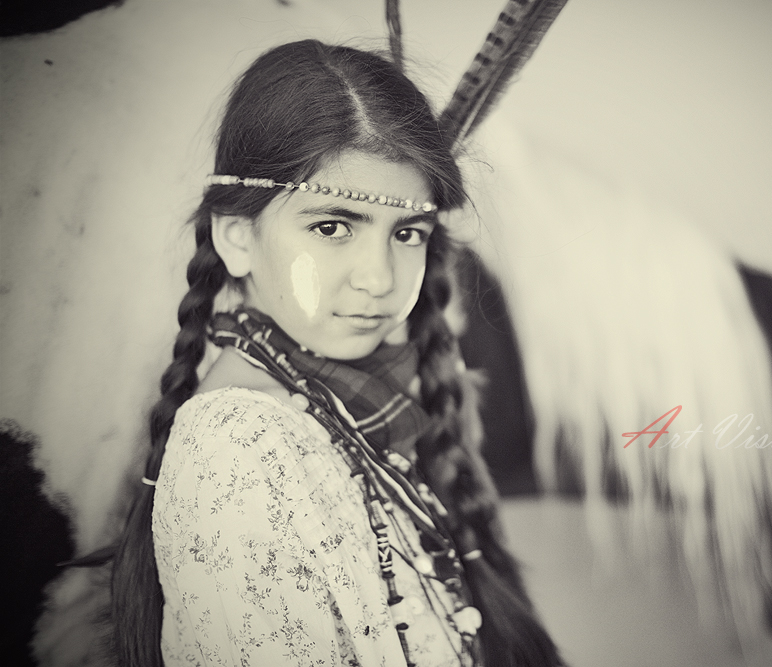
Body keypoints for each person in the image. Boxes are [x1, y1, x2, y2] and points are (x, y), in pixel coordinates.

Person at [111, 40, 562, 667]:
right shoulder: (241, 446)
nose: (378, 277)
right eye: (331, 226)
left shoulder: (360, 410)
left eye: (407, 233)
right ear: (238, 238)